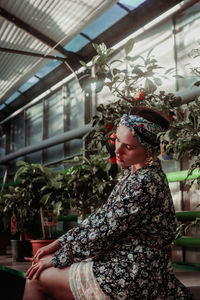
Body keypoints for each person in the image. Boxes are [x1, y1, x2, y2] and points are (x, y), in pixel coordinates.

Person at [23, 106, 193, 300]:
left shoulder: (144, 182)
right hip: (130, 266)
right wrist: (57, 244)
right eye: (117, 140)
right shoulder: (135, 173)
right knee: (41, 269)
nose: (117, 150)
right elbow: (101, 217)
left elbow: (103, 233)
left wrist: (56, 258)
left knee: (35, 279)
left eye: (128, 147)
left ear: (149, 151)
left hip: (132, 274)